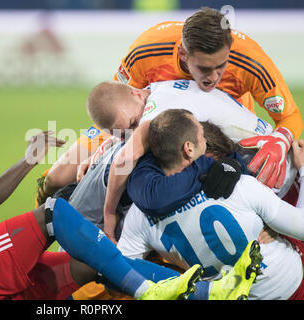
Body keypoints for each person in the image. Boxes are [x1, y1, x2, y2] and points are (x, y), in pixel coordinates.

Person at [0, 131, 226, 300]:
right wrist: (30, 160)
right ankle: (157, 289)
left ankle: (207, 294)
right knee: (52, 213)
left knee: (91, 266)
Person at [117, 109, 304, 299]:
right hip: (291, 284)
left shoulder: (139, 214)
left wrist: (176, 280)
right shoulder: (238, 186)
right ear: (189, 149)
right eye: (201, 135)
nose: (205, 140)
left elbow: (118, 274)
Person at [113, 7, 302, 188]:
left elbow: (289, 115)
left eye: (221, 66)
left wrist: (281, 139)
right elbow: (112, 105)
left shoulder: (251, 62)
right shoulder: (146, 52)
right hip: (168, 139)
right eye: (203, 68)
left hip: (229, 142)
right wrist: (93, 148)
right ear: (183, 54)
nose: (213, 77)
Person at [100, 79, 299, 242]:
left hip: (275, 179)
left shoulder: (156, 108)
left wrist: (109, 214)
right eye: (126, 134)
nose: (136, 132)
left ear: (136, 94)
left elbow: (123, 160)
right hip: (268, 166)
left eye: (134, 123)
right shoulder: (161, 89)